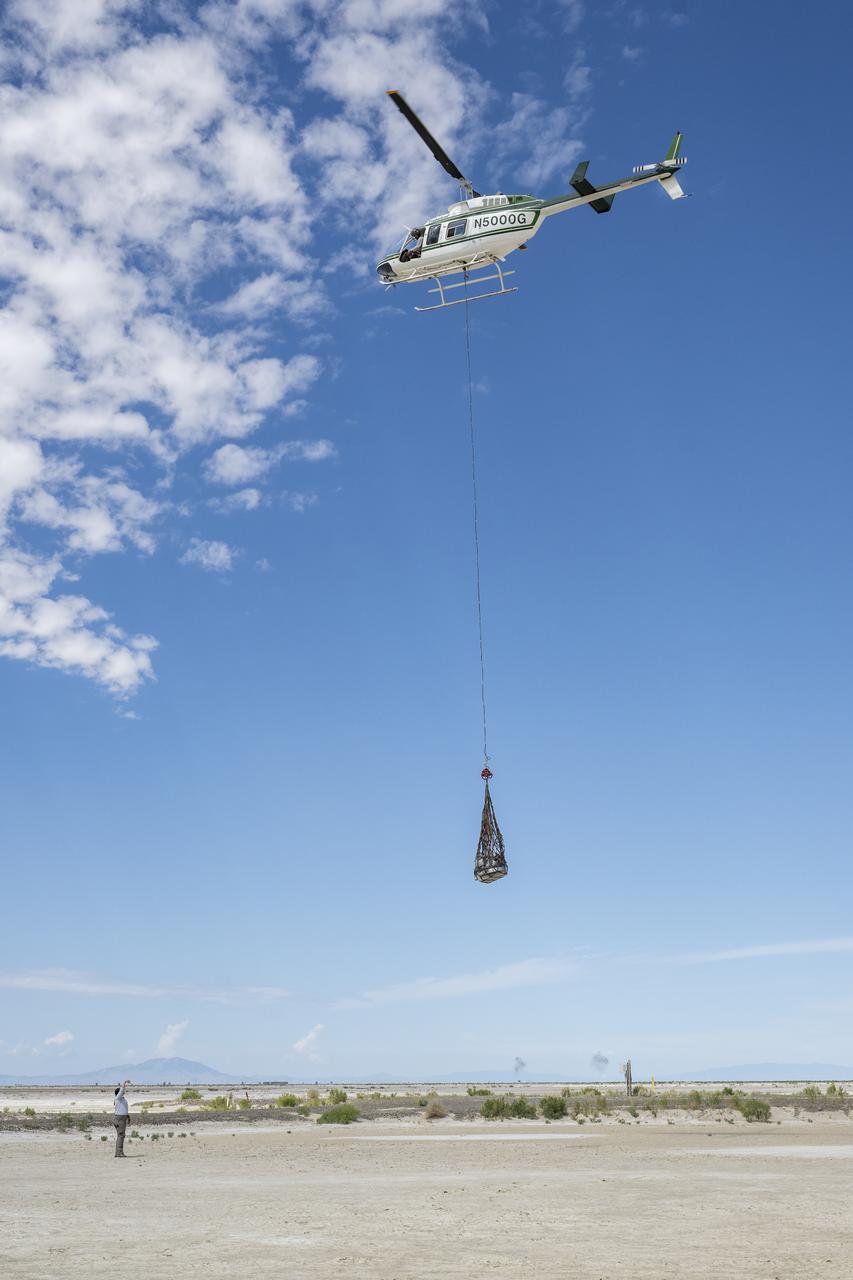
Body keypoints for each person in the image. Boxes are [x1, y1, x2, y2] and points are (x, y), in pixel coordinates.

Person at [113, 1080, 130, 1157]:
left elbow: (124, 1109)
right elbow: (122, 1089)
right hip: (120, 1119)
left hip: (122, 1118)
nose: (123, 1091)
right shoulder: (118, 1098)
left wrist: (127, 1116)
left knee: (120, 1135)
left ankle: (118, 1153)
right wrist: (125, 1082)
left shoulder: (121, 1099)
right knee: (121, 1135)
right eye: (121, 1091)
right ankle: (119, 1153)